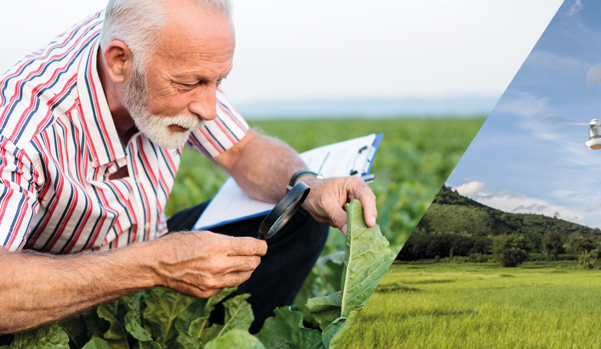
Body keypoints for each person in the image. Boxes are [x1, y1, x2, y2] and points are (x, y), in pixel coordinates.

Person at [0, 0, 377, 335]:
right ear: (119, 62)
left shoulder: (168, 44)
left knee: (299, 215)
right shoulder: (21, 126)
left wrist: (308, 183)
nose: (209, 109)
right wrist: (153, 265)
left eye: (217, 81)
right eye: (190, 83)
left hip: (149, 245)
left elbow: (242, 150)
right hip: (63, 289)